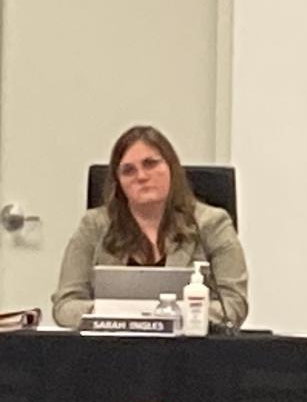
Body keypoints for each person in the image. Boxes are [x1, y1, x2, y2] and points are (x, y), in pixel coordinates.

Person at [52, 125, 249, 330]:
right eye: (128, 170)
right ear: (118, 182)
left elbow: (234, 305)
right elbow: (65, 305)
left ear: (171, 167)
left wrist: (166, 317)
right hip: (110, 351)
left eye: (150, 164)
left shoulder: (212, 224)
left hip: (190, 352)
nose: (142, 176)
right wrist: (113, 315)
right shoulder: (93, 226)